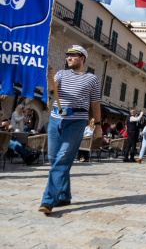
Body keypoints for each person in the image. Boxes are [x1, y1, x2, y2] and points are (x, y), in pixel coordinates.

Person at [39, 45, 101, 214]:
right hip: (55, 119)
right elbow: (50, 88)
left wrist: (98, 126)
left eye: (73, 55)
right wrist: (49, 76)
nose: (69, 58)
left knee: (62, 158)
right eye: (68, 55)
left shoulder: (92, 79)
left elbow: (95, 104)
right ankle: (65, 195)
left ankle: (48, 200)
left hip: (76, 121)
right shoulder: (60, 73)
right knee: (54, 158)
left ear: (82, 58)